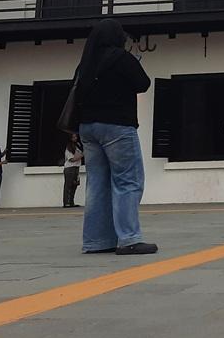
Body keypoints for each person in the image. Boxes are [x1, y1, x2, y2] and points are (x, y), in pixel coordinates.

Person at [73, 19, 157, 255]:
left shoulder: (85, 63)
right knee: (128, 181)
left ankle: (96, 241)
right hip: (117, 126)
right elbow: (143, 83)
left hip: (88, 128)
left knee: (97, 184)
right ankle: (129, 238)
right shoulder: (121, 58)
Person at [63, 133, 83, 208]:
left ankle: (71, 202)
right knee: (68, 185)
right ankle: (66, 202)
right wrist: (82, 155)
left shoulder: (77, 145)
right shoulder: (69, 147)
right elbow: (72, 159)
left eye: (76, 137)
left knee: (75, 185)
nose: (75, 138)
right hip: (70, 168)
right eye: (73, 137)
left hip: (77, 167)